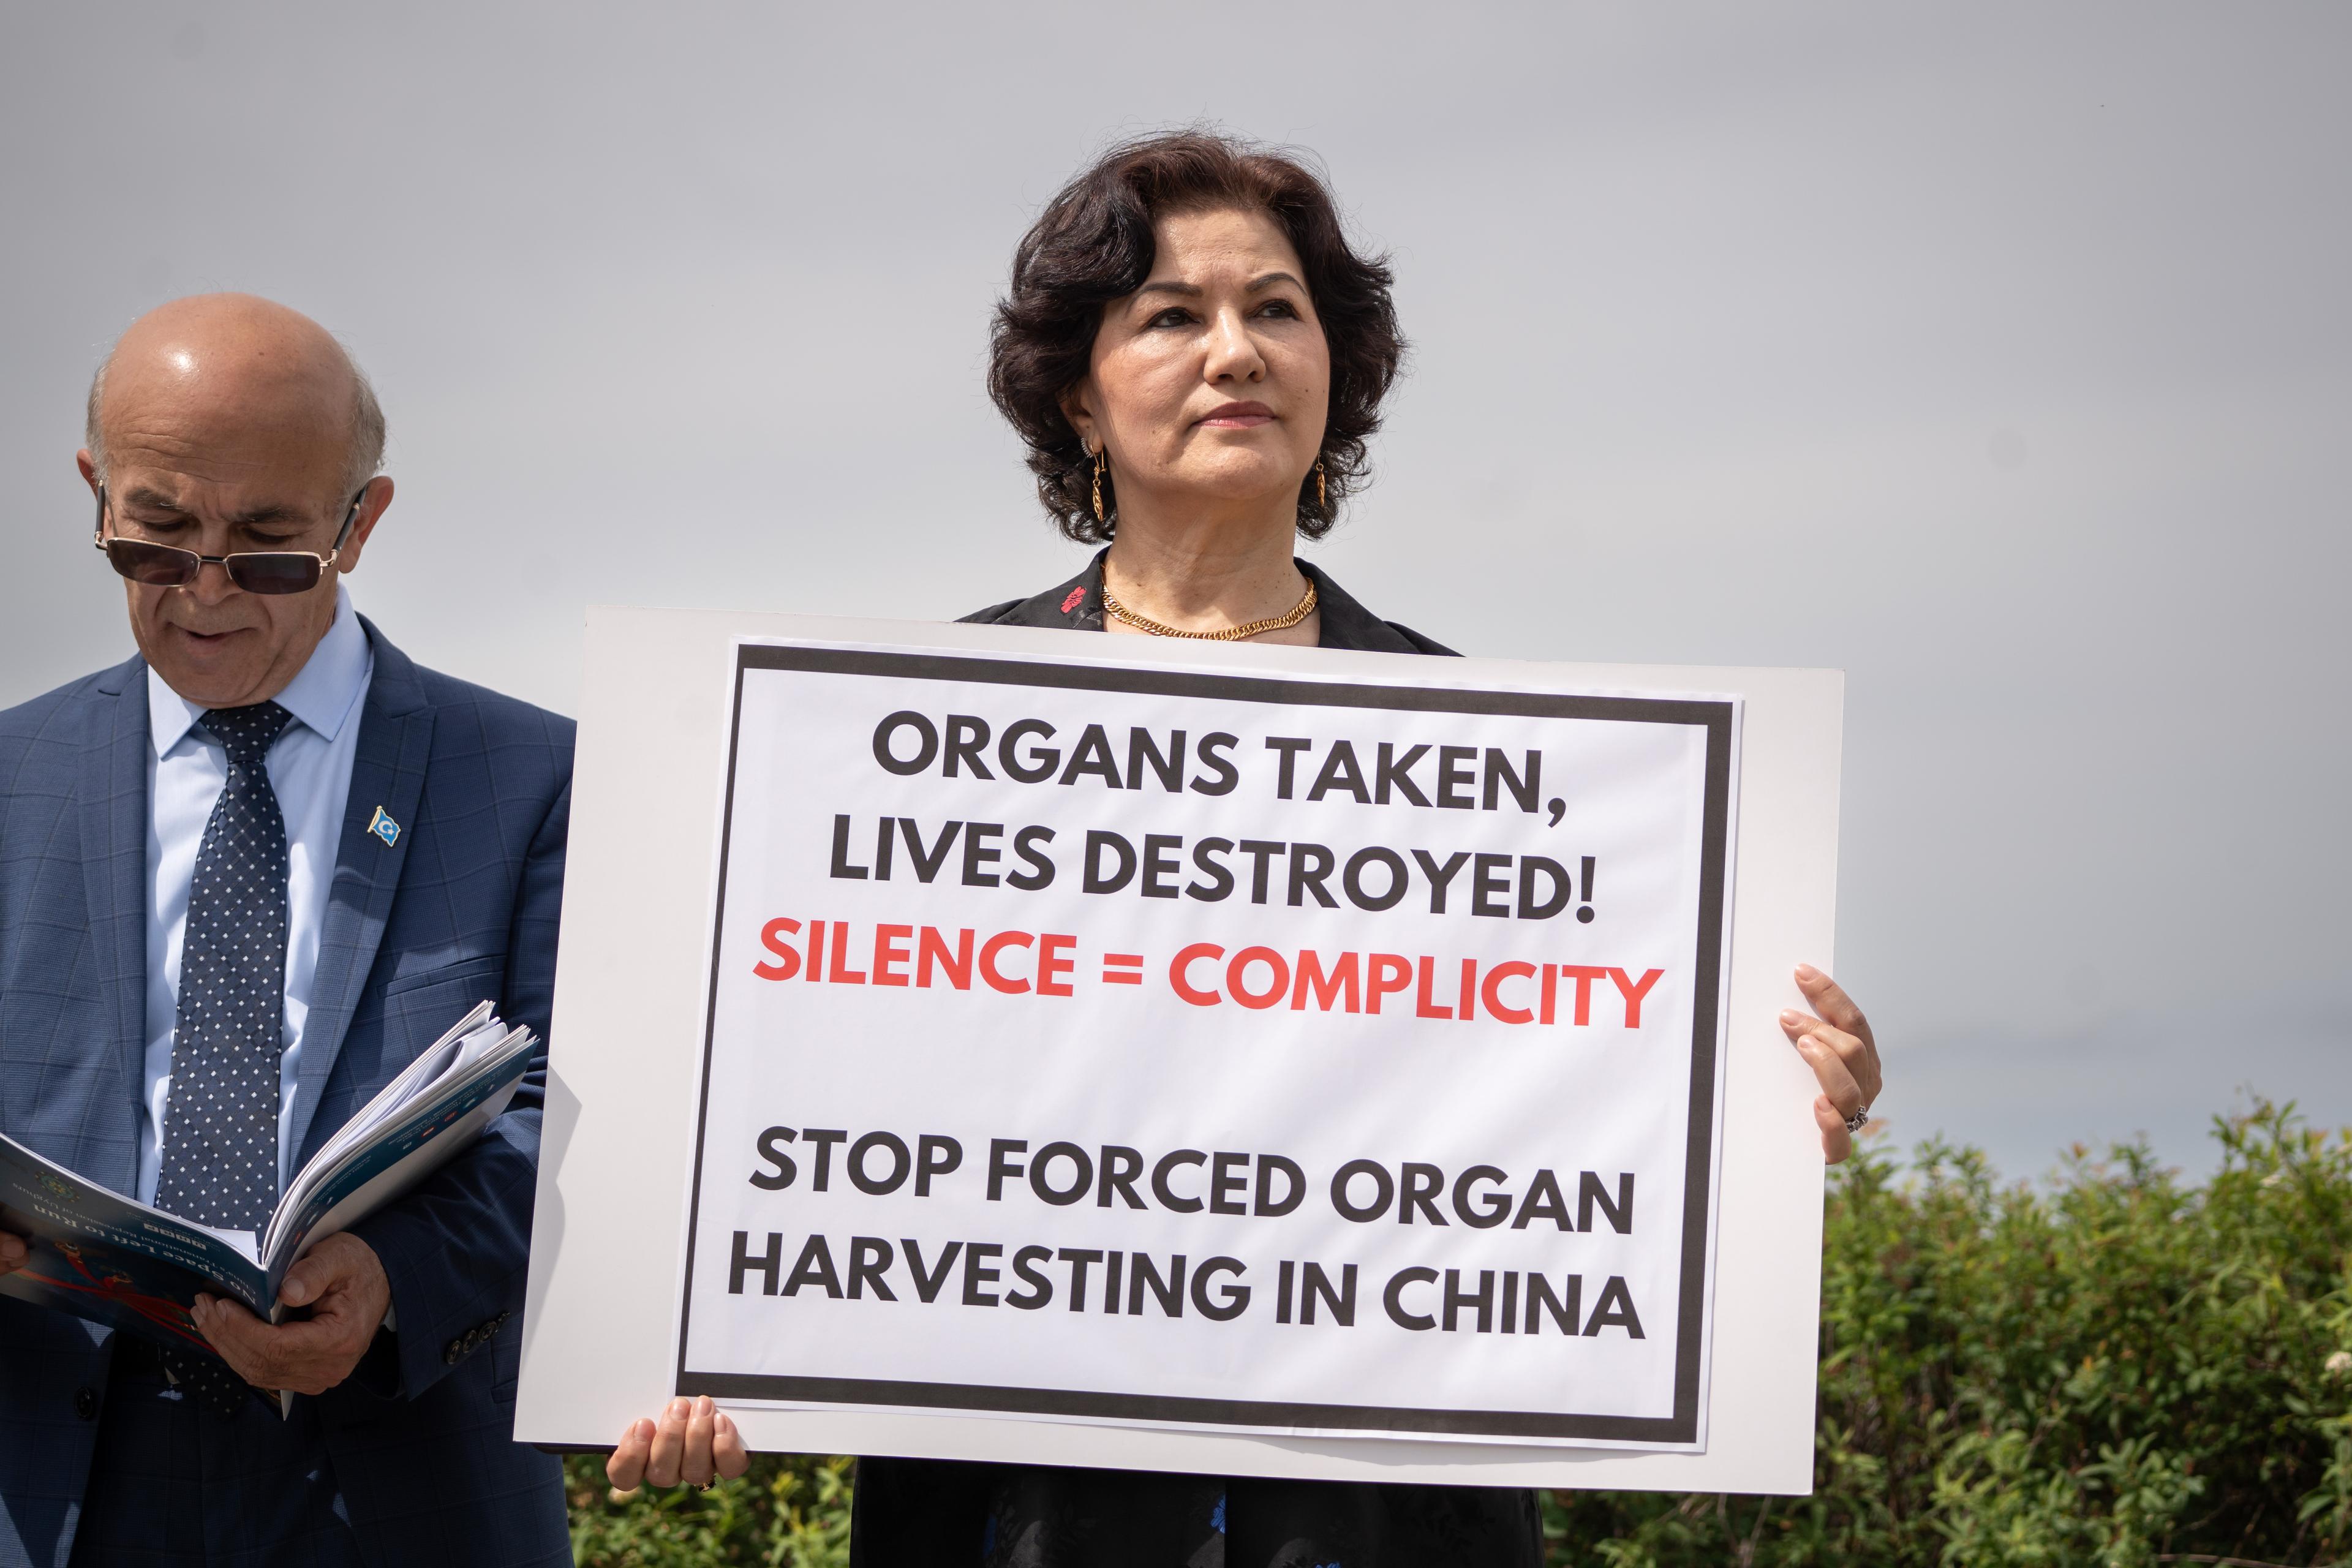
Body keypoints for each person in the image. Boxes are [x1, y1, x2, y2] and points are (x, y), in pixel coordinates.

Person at [612, 131, 1887, 1566]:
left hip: (1384, 1517)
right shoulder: (892, 738)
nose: (1237, 351)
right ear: (1080, 396)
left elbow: (1579, 1116)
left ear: (1334, 369)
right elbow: (796, 1097)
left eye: (1277, 309)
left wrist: (1754, 1107)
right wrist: (680, 1338)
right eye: (1173, 315)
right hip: (1019, 1514)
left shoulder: (1521, 765)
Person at [0, 294, 573, 1566]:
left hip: (402, 1471)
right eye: (155, 539)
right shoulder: (10, 777)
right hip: (56, 1464)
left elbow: (584, 1122)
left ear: (360, 522)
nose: (205, 592)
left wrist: (395, 1276)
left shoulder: (534, 779)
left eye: (266, 549)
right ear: (95, 494)